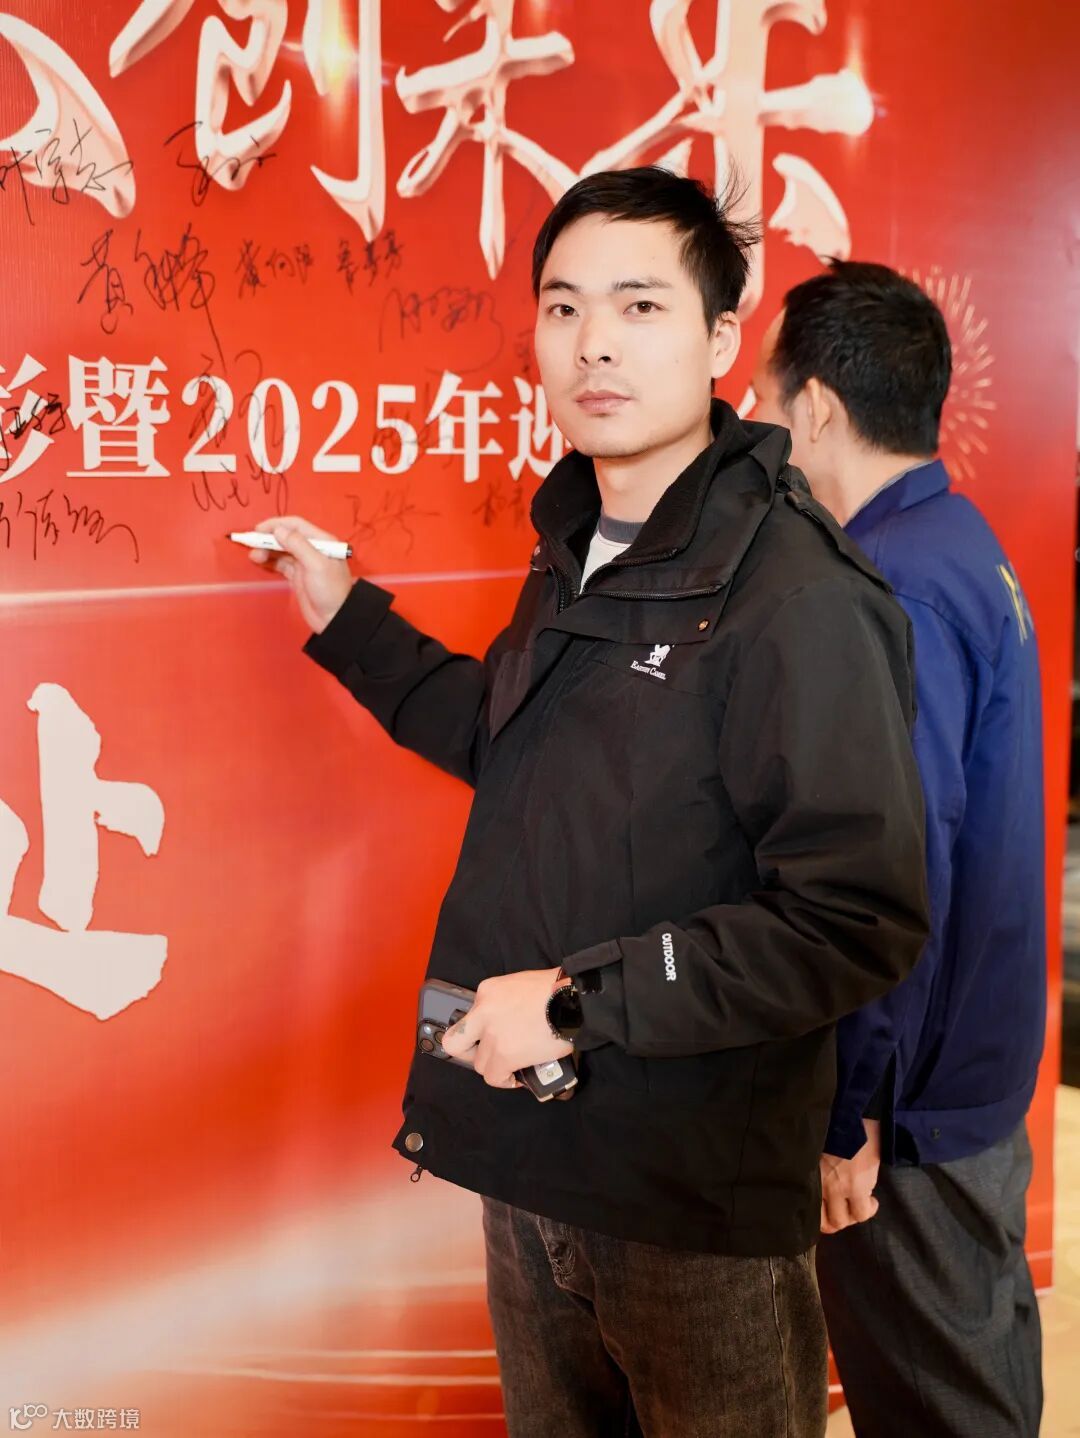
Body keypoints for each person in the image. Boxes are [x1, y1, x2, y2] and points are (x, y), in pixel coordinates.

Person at [250, 170, 929, 1438]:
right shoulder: (581, 542)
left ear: (721, 342)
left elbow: (852, 919)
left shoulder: (798, 596)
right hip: (535, 1155)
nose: (594, 342)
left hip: (691, 1206)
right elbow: (514, 742)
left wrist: (576, 999)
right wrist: (350, 622)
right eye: (564, 307)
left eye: (638, 304)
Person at [752, 259, 1047, 1438]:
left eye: (764, 397)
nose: (758, 422)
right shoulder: (954, 538)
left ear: (817, 408)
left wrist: (853, 1113)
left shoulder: (894, 585)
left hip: (911, 1109)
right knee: (980, 1381)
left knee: (938, 1402)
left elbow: (893, 869)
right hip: (967, 1077)